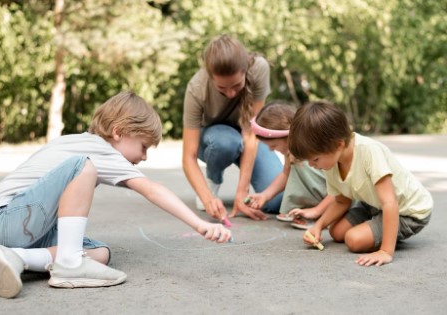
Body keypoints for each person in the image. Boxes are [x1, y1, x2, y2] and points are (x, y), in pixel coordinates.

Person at [0, 91, 232, 299]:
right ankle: (68, 265)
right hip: (5, 221)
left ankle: (16, 258)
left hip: (15, 231)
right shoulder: (97, 151)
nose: (144, 156)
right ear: (118, 132)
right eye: (143, 146)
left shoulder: (76, 142)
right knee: (84, 166)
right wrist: (200, 224)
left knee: (101, 253)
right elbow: (152, 189)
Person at [288, 100, 433, 266]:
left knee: (353, 239)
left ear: (338, 145)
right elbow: (342, 201)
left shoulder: (369, 152)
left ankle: (386, 237)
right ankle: (376, 229)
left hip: (407, 212)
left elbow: (390, 203)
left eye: (314, 159)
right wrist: (319, 226)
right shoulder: (331, 162)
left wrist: (385, 251)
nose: (312, 165)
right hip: (373, 204)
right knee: (336, 232)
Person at [182, 34, 283, 222]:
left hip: (247, 135)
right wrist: (207, 198)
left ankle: (248, 193)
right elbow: (189, 156)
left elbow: (251, 132)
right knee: (226, 141)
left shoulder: (259, 68)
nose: (230, 93)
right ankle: (213, 180)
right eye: (222, 88)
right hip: (214, 139)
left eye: (236, 86)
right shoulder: (196, 88)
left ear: (245, 70)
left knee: (276, 201)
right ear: (210, 77)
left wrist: (241, 193)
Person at [247, 100, 334, 229]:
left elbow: (338, 188)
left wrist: (317, 210)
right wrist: (264, 195)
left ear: (289, 137)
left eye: (274, 145)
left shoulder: (317, 151)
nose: (271, 150)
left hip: (334, 197)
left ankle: (321, 212)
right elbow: (285, 175)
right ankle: (311, 210)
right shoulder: (290, 152)